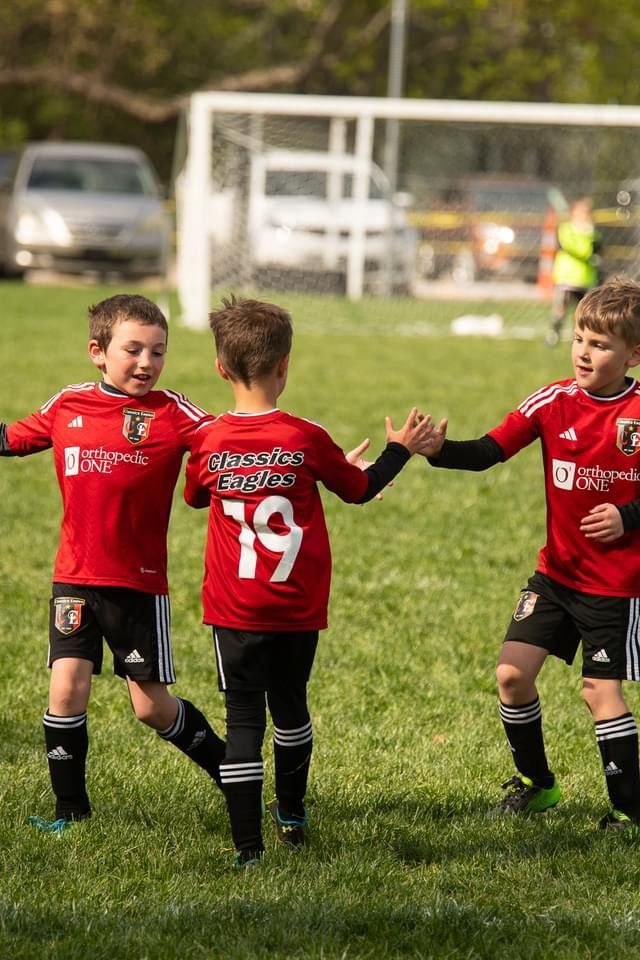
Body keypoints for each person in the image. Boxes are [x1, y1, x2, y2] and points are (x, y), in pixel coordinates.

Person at [183, 296, 434, 868]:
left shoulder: (210, 439)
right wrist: (398, 450)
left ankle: (248, 850)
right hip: (295, 606)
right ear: (284, 365)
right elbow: (359, 489)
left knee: (243, 721)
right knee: (291, 707)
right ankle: (292, 817)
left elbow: (195, 496)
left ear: (220, 368)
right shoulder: (305, 438)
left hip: (234, 609)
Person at [0, 294, 225, 832]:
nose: (147, 362)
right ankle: (70, 812)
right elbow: (10, 439)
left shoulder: (174, 413)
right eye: (133, 350)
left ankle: (230, 771)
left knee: (150, 708)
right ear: (97, 352)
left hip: (137, 586)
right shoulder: (68, 404)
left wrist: (319, 464)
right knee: (66, 689)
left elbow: (237, 441)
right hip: (74, 578)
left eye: (158, 352)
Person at [424, 278, 640, 830]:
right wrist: (438, 450)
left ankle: (628, 810)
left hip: (615, 587)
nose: (584, 352)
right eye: (579, 339)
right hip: (556, 577)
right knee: (511, 675)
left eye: (600, 344)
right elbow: (488, 451)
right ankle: (538, 784)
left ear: (633, 355)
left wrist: (628, 516)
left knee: (600, 693)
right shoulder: (552, 401)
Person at [545, 197, 602, 347]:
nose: (584, 216)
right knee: (560, 308)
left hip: (585, 279)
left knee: (581, 312)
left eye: (587, 213)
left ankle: (578, 338)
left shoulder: (592, 232)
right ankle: (554, 334)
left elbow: (598, 249)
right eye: (581, 213)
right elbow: (573, 247)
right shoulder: (566, 229)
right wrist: (588, 253)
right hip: (567, 278)